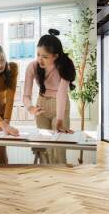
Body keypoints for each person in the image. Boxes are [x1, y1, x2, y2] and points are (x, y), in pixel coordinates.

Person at [23, 28, 76, 164]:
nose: (40, 59)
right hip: (41, 106)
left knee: (58, 148)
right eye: (38, 54)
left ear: (55, 56)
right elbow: (26, 96)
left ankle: (61, 181)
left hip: (60, 106)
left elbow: (61, 94)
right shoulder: (32, 67)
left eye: (45, 56)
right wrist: (30, 108)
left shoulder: (64, 66)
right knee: (44, 148)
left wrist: (59, 119)